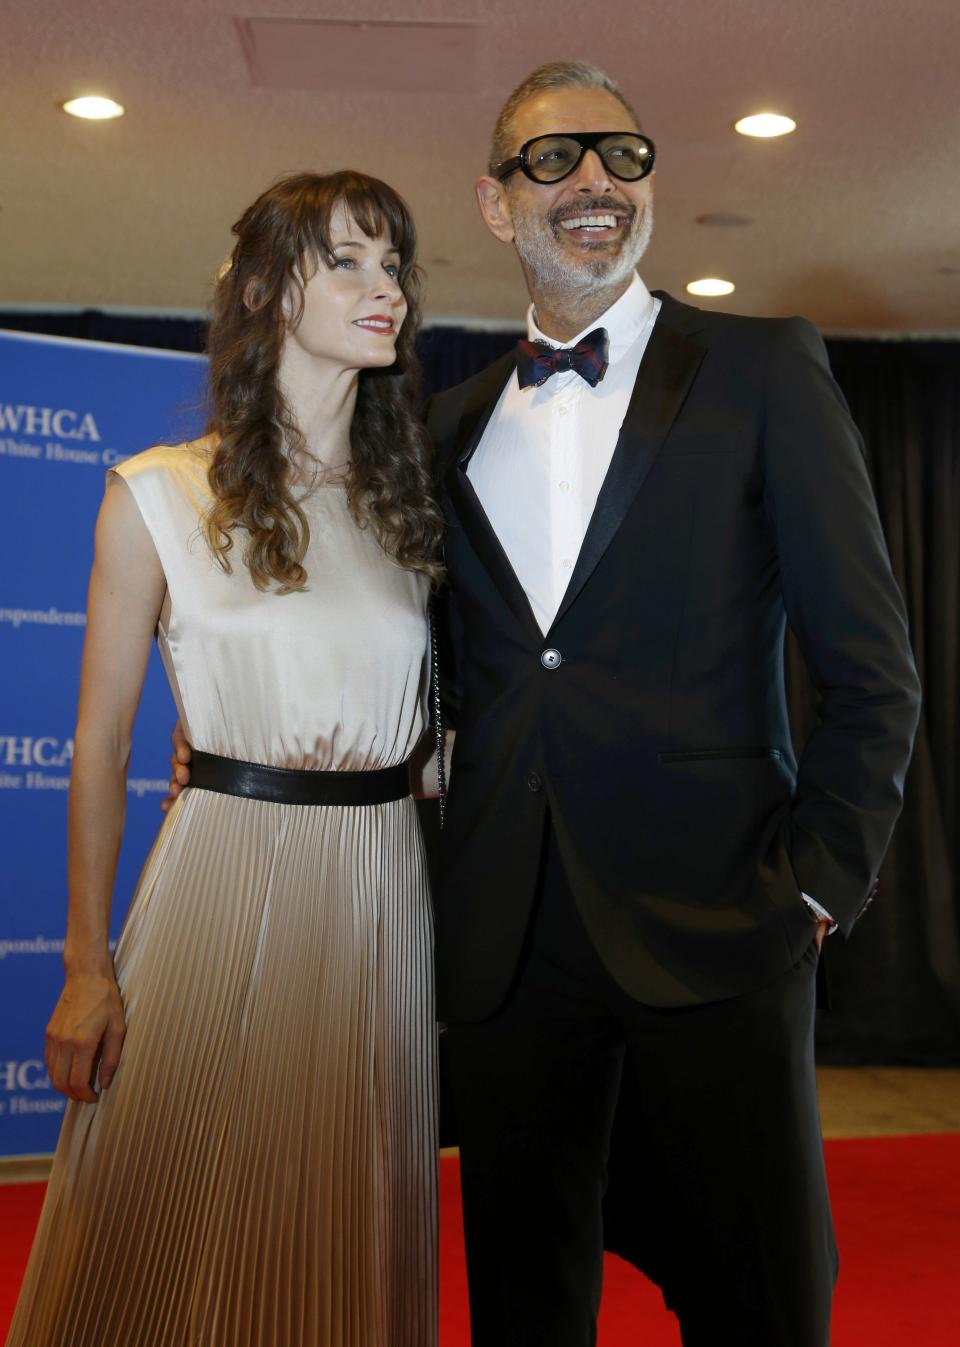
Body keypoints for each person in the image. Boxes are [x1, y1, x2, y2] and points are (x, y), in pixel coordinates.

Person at [425, 62, 921, 1347]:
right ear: (495, 204)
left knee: (758, 1299)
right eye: (554, 160)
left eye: (623, 156)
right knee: (527, 1305)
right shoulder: (442, 424)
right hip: (507, 941)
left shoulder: (763, 369)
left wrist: (818, 883)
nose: (596, 182)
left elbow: (872, 665)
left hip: (721, 923)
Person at [7, 170, 443, 1347]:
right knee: (167, 1224)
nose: (383, 288)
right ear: (262, 289)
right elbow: (98, 748)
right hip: (219, 876)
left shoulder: (412, 515)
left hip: (379, 896)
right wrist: (86, 966)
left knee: (345, 1226)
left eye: (393, 264)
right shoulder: (156, 494)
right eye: (345, 260)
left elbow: (431, 724)